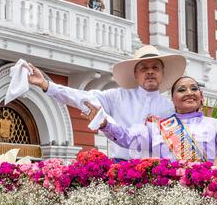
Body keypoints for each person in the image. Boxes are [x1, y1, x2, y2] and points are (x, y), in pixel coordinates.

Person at [27, 45, 186, 161]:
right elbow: (83, 97)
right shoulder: (117, 96)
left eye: (155, 67)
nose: (150, 71)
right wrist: (47, 85)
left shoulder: (171, 108)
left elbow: (178, 147)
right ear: (136, 75)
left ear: (162, 73)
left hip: (158, 174)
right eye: (144, 68)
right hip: (121, 169)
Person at [92, 76, 217, 164]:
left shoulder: (215, 125)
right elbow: (127, 138)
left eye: (194, 88)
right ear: (173, 100)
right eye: (182, 90)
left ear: (201, 97)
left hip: (206, 194)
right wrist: (105, 125)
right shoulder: (158, 128)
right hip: (169, 199)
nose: (189, 92)